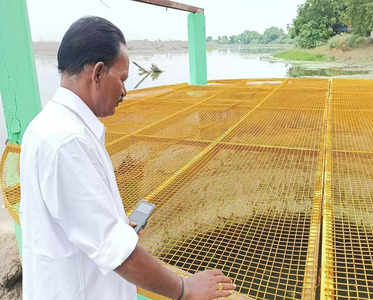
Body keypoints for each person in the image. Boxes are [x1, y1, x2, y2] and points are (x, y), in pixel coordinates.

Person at [19, 16, 236, 300]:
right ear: (97, 73)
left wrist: (117, 225)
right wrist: (184, 289)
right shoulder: (67, 142)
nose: (124, 91)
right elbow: (117, 252)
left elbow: (76, 220)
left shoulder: (46, 126)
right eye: (121, 79)